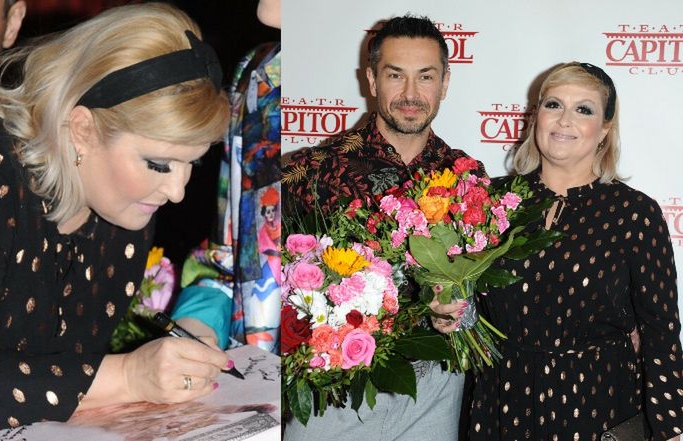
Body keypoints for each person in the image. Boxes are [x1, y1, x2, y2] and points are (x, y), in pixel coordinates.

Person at [0, 3, 232, 437]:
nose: (177, 191)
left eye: (194, 162)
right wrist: (130, 375)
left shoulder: (121, 208)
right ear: (82, 129)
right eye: (158, 163)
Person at [433, 62, 683, 440]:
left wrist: (671, 429)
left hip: (598, 406)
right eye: (554, 105)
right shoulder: (491, 201)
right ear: (536, 117)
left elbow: (660, 331)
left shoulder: (634, 213)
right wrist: (448, 314)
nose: (565, 120)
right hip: (502, 401)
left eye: (583, 109)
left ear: (605, 129)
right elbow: (465, 305)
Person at [282, 14, 479, 441]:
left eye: (425, 76)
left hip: (435, 392)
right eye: (395, 75)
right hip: (334, 396)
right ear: (372, 80)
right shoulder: (312, 171)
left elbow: (480, 292)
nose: (410, 94)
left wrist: (459, 313)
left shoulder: (467, 177)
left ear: (445, 83)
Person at [171, 0, 281, 353]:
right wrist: (195, 329)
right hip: (256, 374)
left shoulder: (398, 92)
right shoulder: (260, 74)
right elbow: (225, 258)